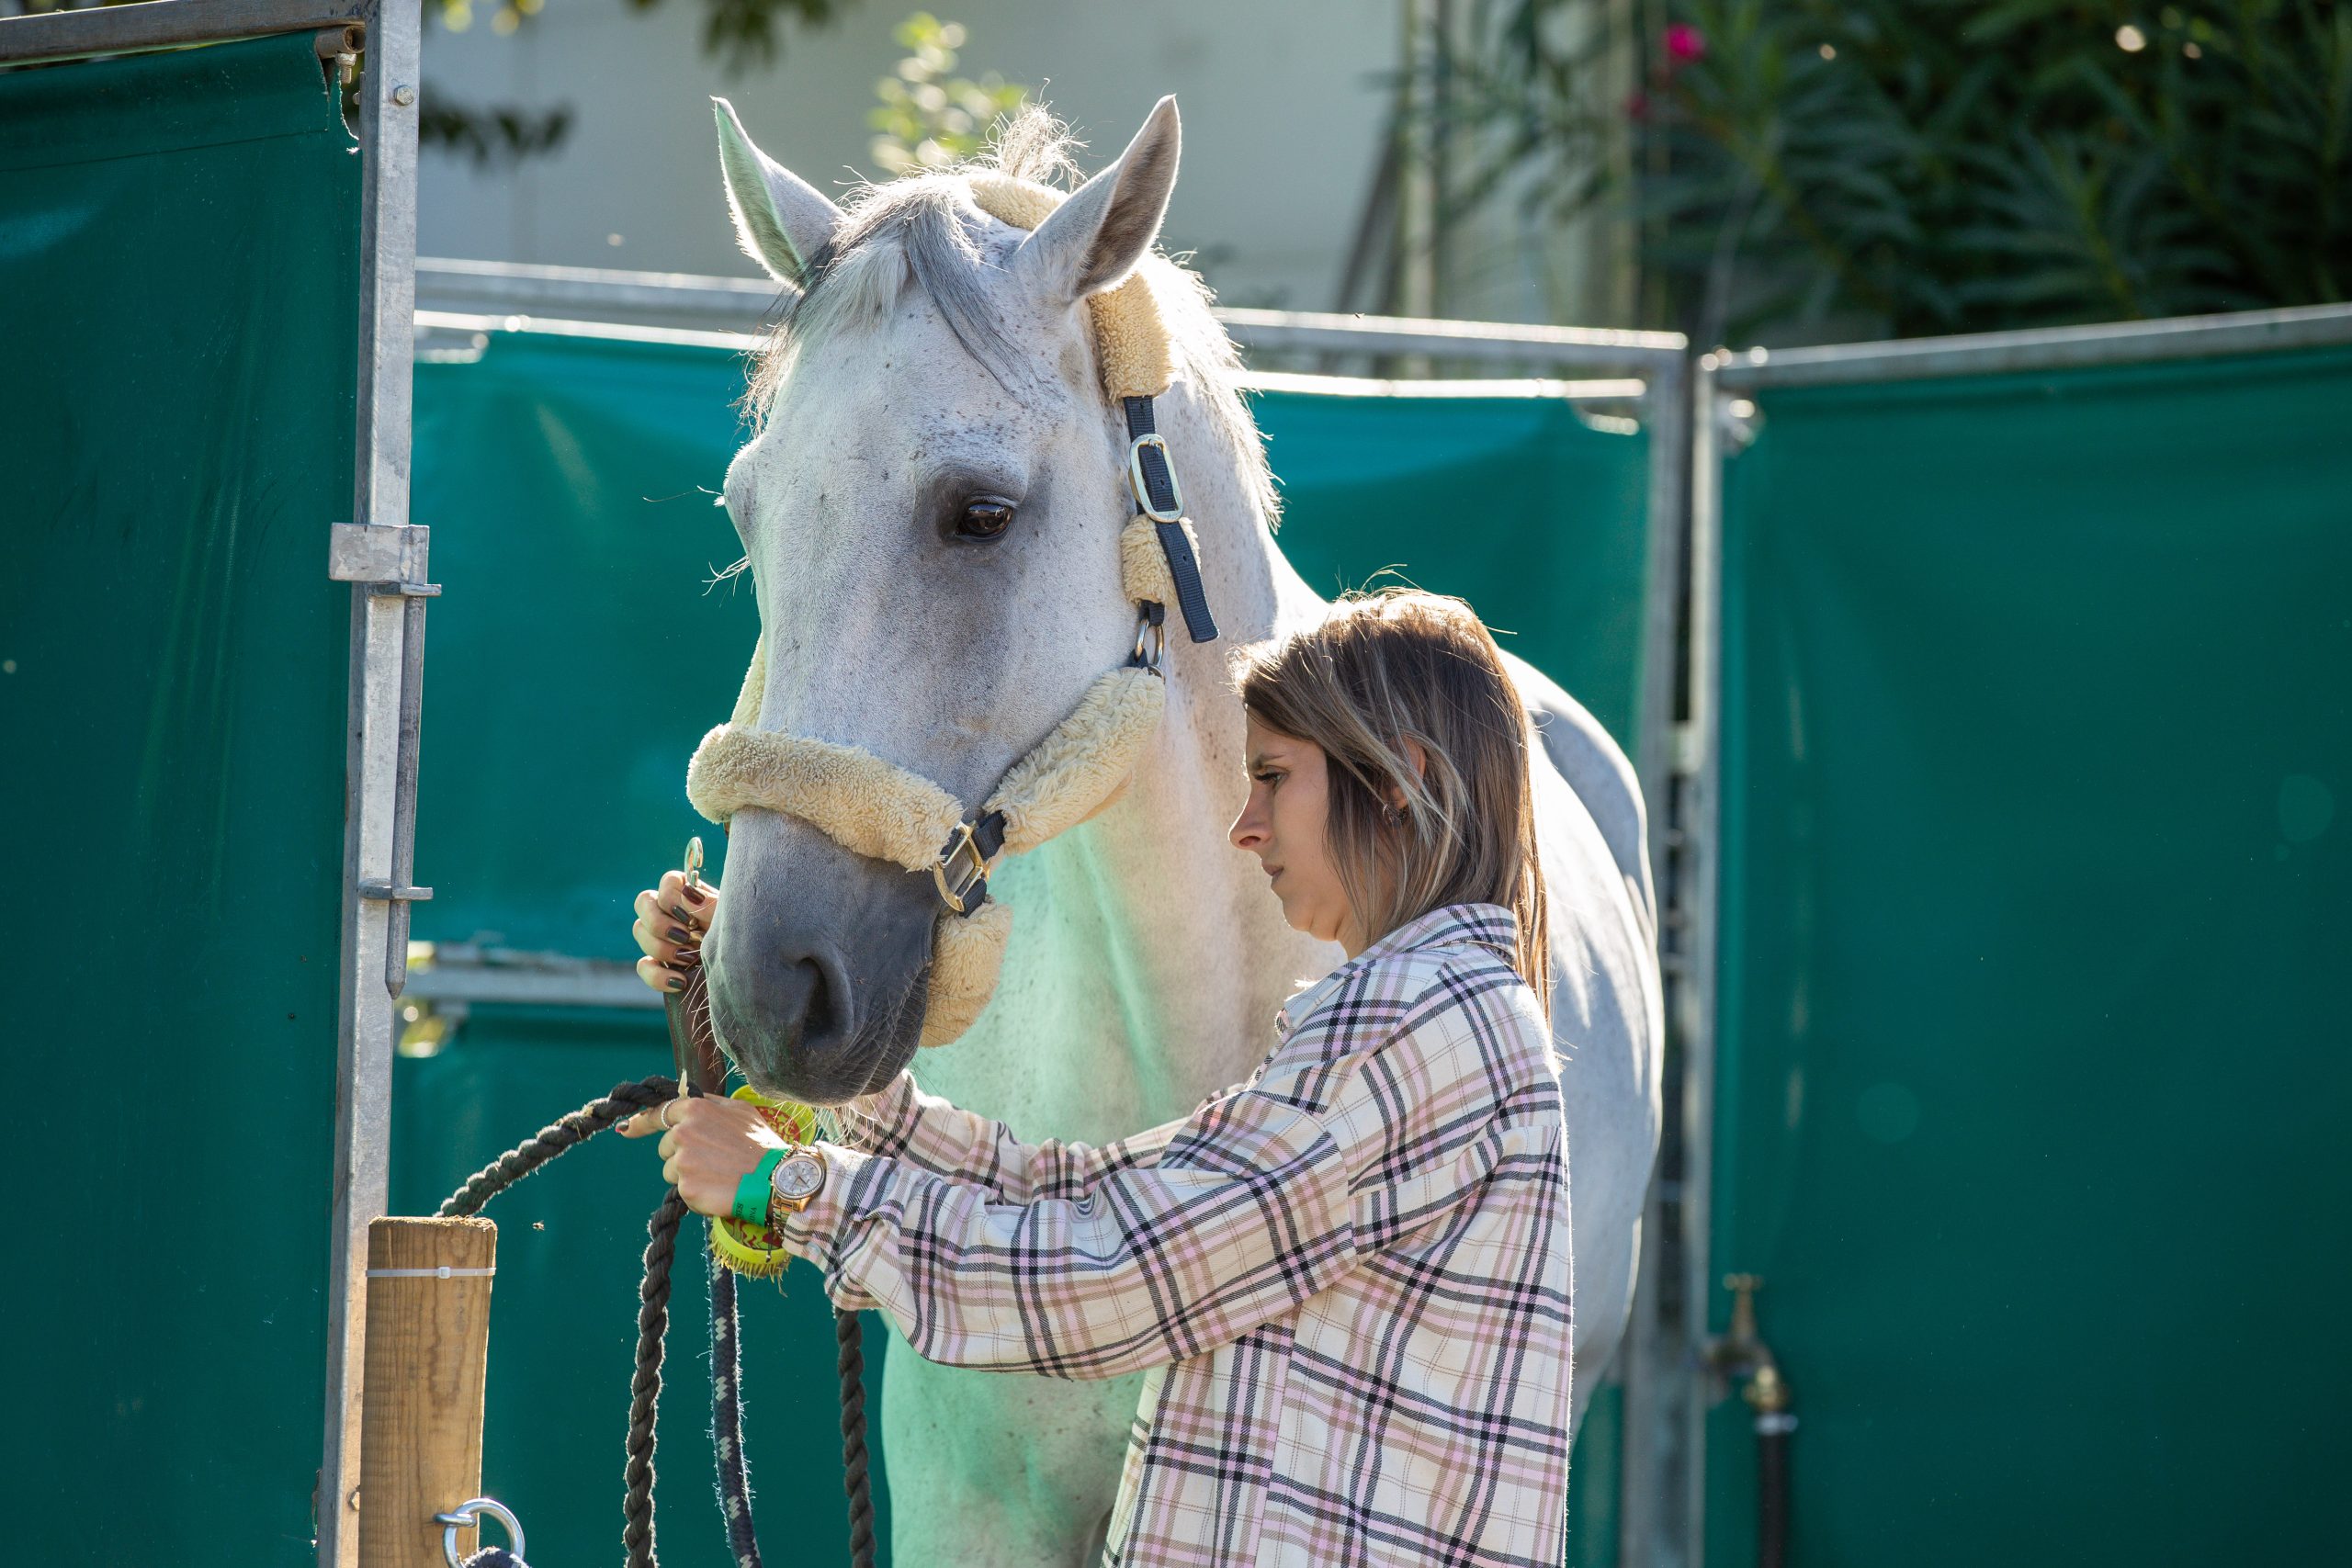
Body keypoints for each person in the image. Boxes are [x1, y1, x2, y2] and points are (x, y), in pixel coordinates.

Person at [620, 589, 1572, 1567]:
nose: (1245, 828)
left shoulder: (1406, 1023)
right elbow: (1096, 1196)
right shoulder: (1441, 1018)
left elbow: (1112, 1276)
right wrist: (826, 1076)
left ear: (1401, 779)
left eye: (1275, 776)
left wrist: (789, 1190)